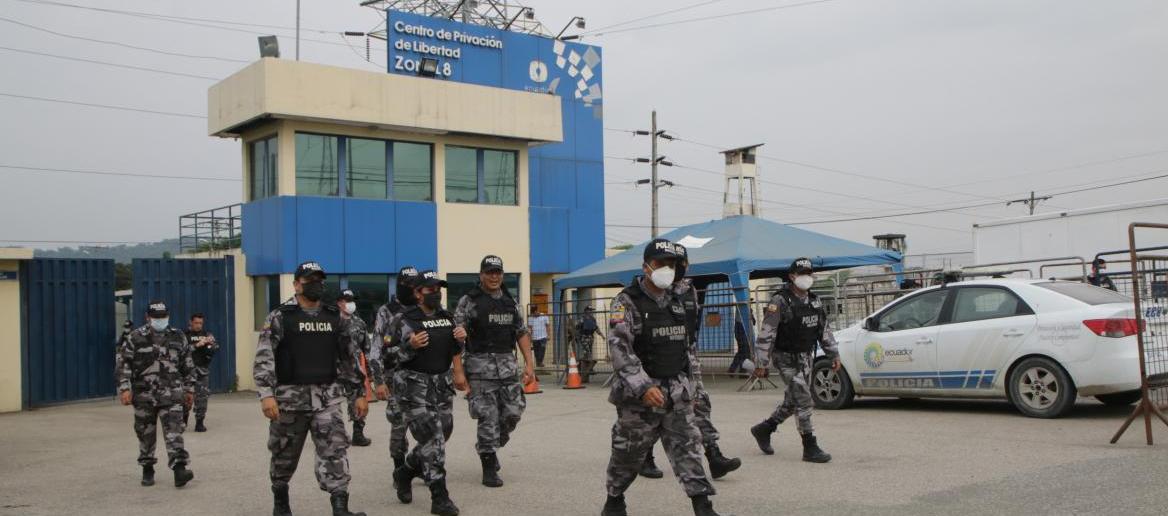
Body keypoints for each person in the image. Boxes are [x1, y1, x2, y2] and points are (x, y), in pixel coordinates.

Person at [602, 239, 722, 516]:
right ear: (646, 266)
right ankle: (614, 500)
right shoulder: (627, 301)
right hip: (639, 398)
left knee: (688, 448)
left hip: (676, 392)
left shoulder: (679, 300)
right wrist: (643, 386)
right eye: (661, 263)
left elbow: (686, 347)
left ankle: (703, 507)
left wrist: (692, 387)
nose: (667, 269)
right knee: (627, 455)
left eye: (672, 264)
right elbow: (620, 348)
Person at [253, 261, 368, 516]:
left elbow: (349, 357)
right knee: (284, 454)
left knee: (335, 450)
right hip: (289, 400)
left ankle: (340, 507)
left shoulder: (335, 317)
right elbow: (264, 358)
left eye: (320, 280)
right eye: (310, 280)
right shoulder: (280, 317)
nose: (317, 284)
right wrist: (266, 395)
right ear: (297, 285)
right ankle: (281, 502)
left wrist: (358, 393)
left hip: (327, 398)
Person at [640, 243, 741, 481]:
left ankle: (714, 455)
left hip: (687, 357)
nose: (676, 268)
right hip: (657, 360)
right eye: (670, 264)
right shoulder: (655, 290)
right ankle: (644, 456)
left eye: (679, 264)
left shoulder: (689, 290)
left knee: (699, 404)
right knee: (657, 412)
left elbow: (691, 326)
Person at [453, 255, 536, 488]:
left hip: (508, 369)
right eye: (489, 272)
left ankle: (489, 446)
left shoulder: (510, 302)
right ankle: (488, 464)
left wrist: (529, 364)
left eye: (497, 272)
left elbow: (521, 332)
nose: (494, 276)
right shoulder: (469, 301)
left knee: (513, 414)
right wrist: (458, 371)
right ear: (481, 275)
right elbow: (455, 338)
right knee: (487, 418)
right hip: (480, 371)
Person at [388, 270, 466, 516]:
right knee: (433, 439)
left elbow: (454, 349)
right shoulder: (403, 320)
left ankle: (406, 471)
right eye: (430, 289)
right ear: (418, 293)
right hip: (414, 388)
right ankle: (439, 497)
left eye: (438, 289)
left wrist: (461, 341)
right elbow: (387, 356)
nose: (436, 293)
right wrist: (409, 346)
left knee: (444, 431)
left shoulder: (447, 317)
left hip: (441, 386)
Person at [749, 257, 838, 464]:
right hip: (785, 358)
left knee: (793, 401)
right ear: (792, 276)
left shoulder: (814, 301)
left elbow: (824, 331)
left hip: (805, 357)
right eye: (802, 274)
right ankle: (810, 446)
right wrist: (761, 363)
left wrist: (833, 354)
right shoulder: (780, 301)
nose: (806, 277)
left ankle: (765, 428)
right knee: (804, 399)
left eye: (809, 273)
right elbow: (767, 333)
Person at [115, 300, 196, 488]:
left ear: (168, 316)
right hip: (144, 395)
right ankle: (147, 467)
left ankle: (179, 470)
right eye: (156, 317)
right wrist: (125, 388)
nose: (160, 320)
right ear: (147, 317)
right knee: (145, 434)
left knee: (175, 432)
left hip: (172, 394)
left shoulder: (178, 336)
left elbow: (188, 365)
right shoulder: (136, 337)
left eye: (163, 316)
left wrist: (190, 389)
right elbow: (123, 364)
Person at [373, 266, 420, 476]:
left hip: (423, 376)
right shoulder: (387, 311)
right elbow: (376, 348)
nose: (411, 288)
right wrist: (378, 381)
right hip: (396, 376)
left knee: (429, 425)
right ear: (399, 285)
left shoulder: (425, 308)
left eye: (414, 284)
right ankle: (399, 469)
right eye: (407, 284)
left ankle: (418, 464)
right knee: (399, 426)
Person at [338, 289, 374, 447]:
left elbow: (367, 348)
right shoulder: (331, 322)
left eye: (352, 300)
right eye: (347, 300)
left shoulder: (359, 323)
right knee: (331, 401)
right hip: (335, 369)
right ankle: (333, 432)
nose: (351, 304)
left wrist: (370, 372)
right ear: (339, 303)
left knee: (358, 398)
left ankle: (358, 433)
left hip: (355, 369)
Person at [184, 313, 218, 432]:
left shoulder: (207, 334)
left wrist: (210, 344)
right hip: (187, 371)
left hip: (202, 371)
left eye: (200, 323)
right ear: (190, 322)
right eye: (196, 323)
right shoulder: (184, 335)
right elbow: (182, 351)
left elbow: (215, 348)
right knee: (185, 397)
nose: (198, 325)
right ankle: (183, 419)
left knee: (202, 397)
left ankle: (199, 422)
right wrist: (197, 345)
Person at [576, 306, 599, 380]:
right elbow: (577, 326)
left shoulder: (593, 319)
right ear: (586, 311)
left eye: (592, 310)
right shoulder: (582, 318)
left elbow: (596, 328)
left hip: (590, 336)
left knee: (589, 351)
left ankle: (589, 368)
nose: (591, 312)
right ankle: (589, 369)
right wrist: (577, 335)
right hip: (584, 336)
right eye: (590, 310)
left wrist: (601, 335)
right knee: (587, 351)